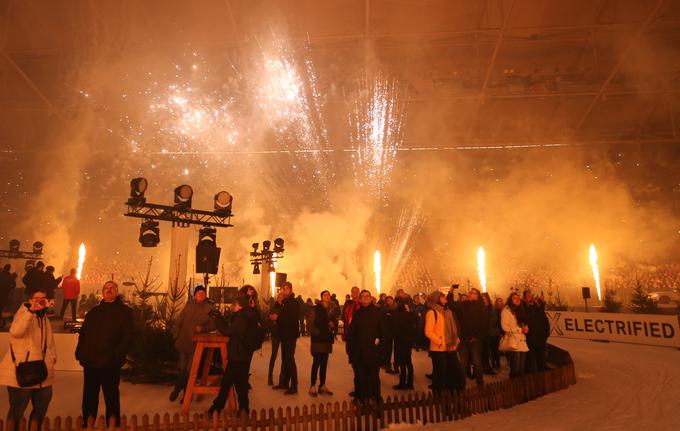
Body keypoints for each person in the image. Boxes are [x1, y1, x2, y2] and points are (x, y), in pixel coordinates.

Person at [75, 281, 134, 427]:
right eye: (106, 288)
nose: (108, 290)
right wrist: (80, 353)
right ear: (102, 292)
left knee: (111, 397)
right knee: (89, 397)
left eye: (111, 288)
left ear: (116, 291)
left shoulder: (125, 312)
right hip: (91, 362)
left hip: (110, 363)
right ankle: (88, 424)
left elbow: (128, 337)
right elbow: (84, 335)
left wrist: (117, 356)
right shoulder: (94, 313)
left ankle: (113, 425)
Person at [0, 289, 56, 431]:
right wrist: (31, 311)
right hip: (21, 371)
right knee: (18, 409)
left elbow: (50, 342)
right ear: (30, 300)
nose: (40, 301)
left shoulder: (44, 317)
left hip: (42, 371)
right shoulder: (23, 313)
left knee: (41, 407)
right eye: (36, 298)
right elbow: (16, 332)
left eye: (43, 298)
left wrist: (52, 357)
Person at [208, 294, 252, 416]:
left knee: (226, 383)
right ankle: (243, 409)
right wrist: (220, 318)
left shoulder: (242, 318)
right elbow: (230, 328)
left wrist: (216, 318)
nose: (233, 306)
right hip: (243, 355)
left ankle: (215, 410)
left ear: (240, 306)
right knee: (241, 383)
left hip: (237, 356)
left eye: (235, 304)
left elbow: (227, 331)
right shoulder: (244, 316)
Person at [169, 285, 214, 402]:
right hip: (183, 342)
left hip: (196, 345)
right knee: (183, 369)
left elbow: (213, 325)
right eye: (199, 293)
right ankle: (185, 395)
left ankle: (179, 391)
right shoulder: (188, 306)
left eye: (203, 293)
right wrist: (176, 336)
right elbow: (178, 322)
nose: (201, 295)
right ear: (195, 295)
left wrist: (203, 328)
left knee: (189, 371)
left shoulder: (209, 309)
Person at [346, 289, 385, 404]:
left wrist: (379, 343)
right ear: (360, 299)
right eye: (363, 296)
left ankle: (376, 401)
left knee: (374, 379)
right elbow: (352, 333)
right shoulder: (357, 314)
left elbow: (383, 332)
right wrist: (350, 350)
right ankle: (363, 401)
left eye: (367, 296)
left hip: (373, 352)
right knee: (361, 379)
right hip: (360, 353)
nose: (366, 298)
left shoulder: (378, 312)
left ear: (371, 297)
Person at [425, 291, 462, 394]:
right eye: (442, 297)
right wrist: (440, 342)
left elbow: (453, 327)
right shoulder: (432, 313)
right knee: (440, 375)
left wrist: (455, 338)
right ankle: (439, 397)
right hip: (438, 349)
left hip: (450, 347)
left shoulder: (447, 311)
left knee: (452, 373)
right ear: (437, 299)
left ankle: (451, 396)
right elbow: (428, 332)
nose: (445, 298)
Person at [453, 288, 489, 387]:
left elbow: (485, 325)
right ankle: (461, 385)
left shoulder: (482, 307)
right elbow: (452, 305)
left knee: (477, 362)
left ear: (477, 296)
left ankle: (480, 383)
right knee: (463, 363)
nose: (470, 294)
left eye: (472, 293)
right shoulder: (464, 305)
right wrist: (451, 291)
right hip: (464, 339)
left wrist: (477, 337)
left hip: (475, 340)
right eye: (470, 292)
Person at [272, 281, 300, 394]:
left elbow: (291, 319)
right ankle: (284, 383)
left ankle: (294, 385)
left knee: (289, 360)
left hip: (290, 335)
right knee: (285, 359)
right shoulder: (284, 302)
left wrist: (277, 318)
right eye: (283, 288)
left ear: (291, 290)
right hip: (284, 335)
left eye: (287, 288)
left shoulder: (293, 302)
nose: (284, 290)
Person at [307, 290, 335, 397]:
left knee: (324, 364)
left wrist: (332, 325)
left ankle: (322, 385)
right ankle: (312, 386)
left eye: (328, 294)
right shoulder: (315, 308)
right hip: (318, 340)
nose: (327, 296)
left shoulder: (331, 310)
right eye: (325, 295)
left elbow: (332, 323)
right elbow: (310, 324)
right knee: (316, 362)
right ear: (321, 297)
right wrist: (317, 333)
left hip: (327, 340)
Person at [499, 293, 529, 379]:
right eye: (515, 298)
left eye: (518, 298)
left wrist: (526, 327)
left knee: (521, 368)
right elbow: (504, 327)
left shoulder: (520, 310)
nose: (517, 299)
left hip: (522, 341)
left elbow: (522, 323)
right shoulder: (506, 311)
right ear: (510, 300)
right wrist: (520, 330)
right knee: (515, 368)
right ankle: (513, 387)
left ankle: (519, 387)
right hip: (513, 341)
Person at [392, 297, 417, 390]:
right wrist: (409, 311)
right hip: (408, 341)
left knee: (402, 363)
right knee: (408, 362)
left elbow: (393, 328)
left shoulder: (395, 315)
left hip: (399, 341)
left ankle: (402, 383)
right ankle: (410, 383)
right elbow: (416, 320)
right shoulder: (409, 315)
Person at [523, 291, 550, 373]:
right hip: (529, 341)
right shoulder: (523, 310)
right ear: (524, 299)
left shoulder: (538, 309)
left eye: (531, 295)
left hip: (541, 340)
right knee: (531, 365)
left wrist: (545, 334)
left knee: (541, 363)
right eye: (528, 296)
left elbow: (545, 322)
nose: (530, 297)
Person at [342, 286, 361, 397]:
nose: (354, 293)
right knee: (354, 364)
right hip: (351, 338)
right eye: (352, 291)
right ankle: (358, 388)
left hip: (358, 338)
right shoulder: (349, 305)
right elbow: (346, 321)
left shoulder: (361, 305)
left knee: (359, 365)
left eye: (356, 291)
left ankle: (361, 390)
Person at [267, 292, 284, 386]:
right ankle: (270, 376)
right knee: (273, 355)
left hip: (284, 334)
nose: (281, 298)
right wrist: (273, 320)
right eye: (279, 297)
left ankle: (283, 378)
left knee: (284, 357)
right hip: (276, 334)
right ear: (277, 298)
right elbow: (269, 320)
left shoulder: (286, 307)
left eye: (282, 297)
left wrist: (278, 318)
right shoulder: (273, 307)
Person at [480, 292, 498, 375]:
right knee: (485, 352)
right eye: (482, 298)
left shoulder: (491, 308)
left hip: (491, 333)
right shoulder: (480, 308)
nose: (484, 300)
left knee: (492, 351)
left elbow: (494, 319)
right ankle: (486, 367)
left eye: (485, 298)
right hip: (484, 333)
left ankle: (492, 366)